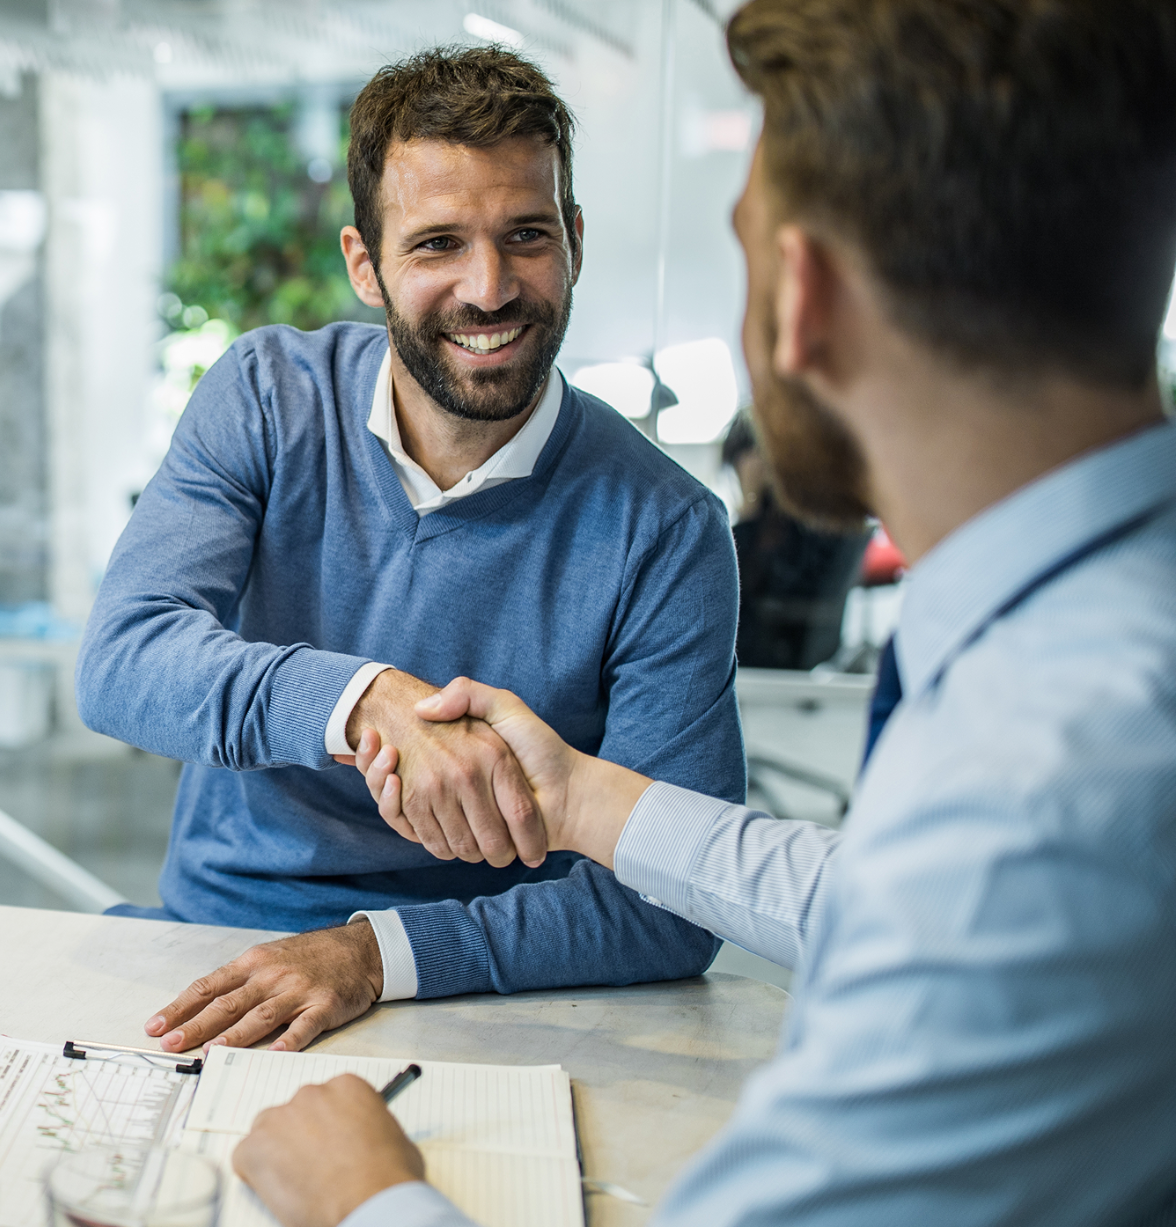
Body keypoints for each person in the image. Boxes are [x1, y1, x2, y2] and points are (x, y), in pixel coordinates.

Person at [228, 1, 1176, 1224]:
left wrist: (364, 1198)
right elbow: (880, 896)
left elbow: (969, 889)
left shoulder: (1044, 779)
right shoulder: (1079, 652)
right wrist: (579, 798)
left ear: (800, 292)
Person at [75, 45, 746, 1055]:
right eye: (436, 244)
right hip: (214, 946)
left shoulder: (665, 530)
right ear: (364, 262)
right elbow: (123, 663)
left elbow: (674, 903)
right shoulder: (267, 398)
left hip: (486, 979)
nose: (487, 289)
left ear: (572, 239)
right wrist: (365, 702)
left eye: (524, 235)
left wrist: (373, 954)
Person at [720, 414, 867, 669]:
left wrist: (750, 507)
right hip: (762, 657)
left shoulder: (813, 527)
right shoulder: (770, 524)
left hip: (779, 655)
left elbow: (738, 590)